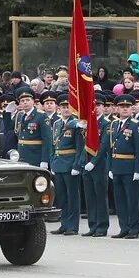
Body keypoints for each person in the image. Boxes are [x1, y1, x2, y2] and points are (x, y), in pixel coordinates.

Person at [49, 93, 85, 237]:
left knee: (72, 197)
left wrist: (77, 165)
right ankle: (64, 224)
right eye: (63, 107)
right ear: (59, 109)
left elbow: (80, 147)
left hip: (70, 164)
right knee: (62, 197)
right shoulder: (57, 124)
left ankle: (72, 226)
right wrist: (52, 161)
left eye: (68, 107)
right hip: (58, 163)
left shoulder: (76, 124)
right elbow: (52, 145)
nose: (65, 110)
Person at [109, 94, 139, 239]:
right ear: (117, 108)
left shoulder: (136, 125)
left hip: (130, 167)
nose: (124, 109)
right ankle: (124, 227)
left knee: (131, 199)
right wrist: (110, 168)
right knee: (120, 200)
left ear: (132, 109)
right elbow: (111, 148)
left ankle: (133, 229)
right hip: (116, 166)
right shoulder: (114, 124)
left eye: (127, 107)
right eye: (122, 107)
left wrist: (138, 170)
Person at [81, 94, 112, 237]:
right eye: (94, 106)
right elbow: (83, 144)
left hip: (99, 164)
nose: (96, 109)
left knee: (100, 196)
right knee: (90, 196)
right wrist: (84, 162)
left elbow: (104, 145)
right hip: (87, 163)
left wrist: (93, 162)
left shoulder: (106, 123)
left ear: (103, 107)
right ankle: (92, 225)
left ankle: (102, 226)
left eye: (99, 106)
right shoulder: (87, 122)